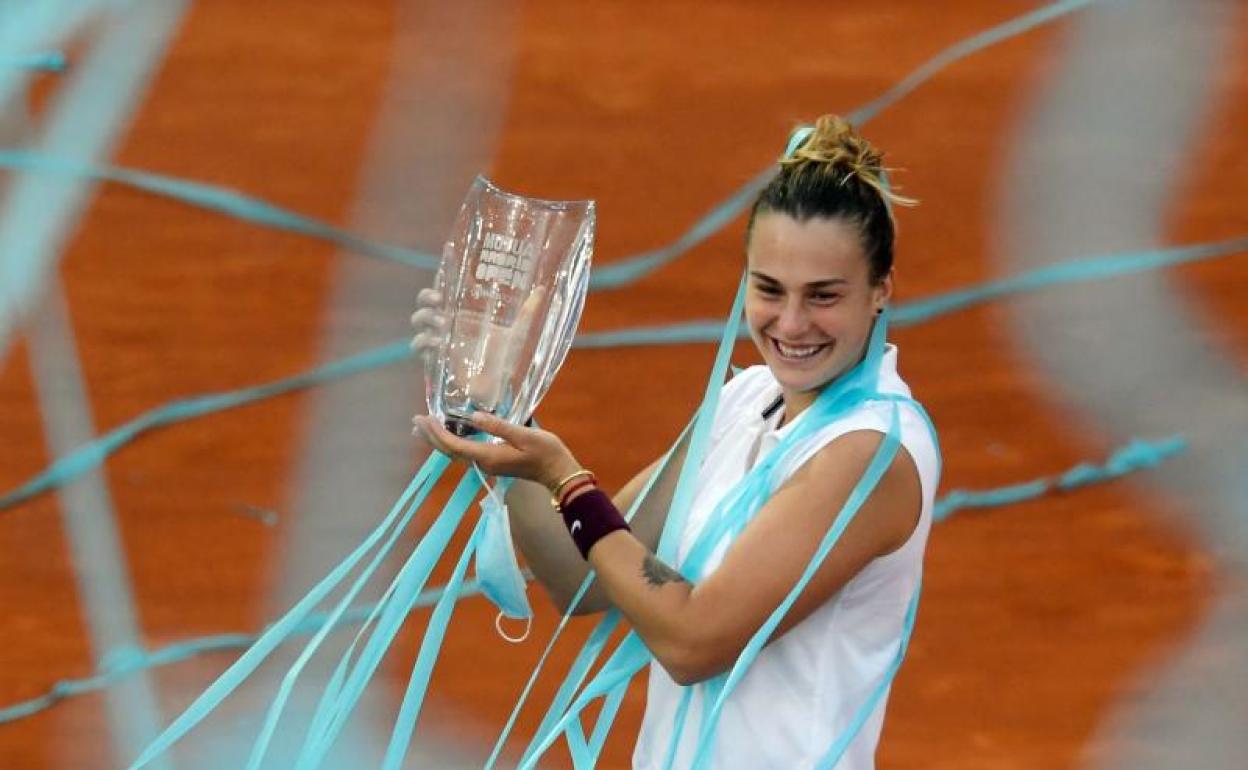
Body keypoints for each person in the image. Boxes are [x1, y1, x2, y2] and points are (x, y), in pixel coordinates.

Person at [411, 114, 940, 770]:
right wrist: (502, 418)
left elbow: (693, 640)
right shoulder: (745, 401)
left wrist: (564, 478)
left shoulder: (871, 452)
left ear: (881, 290)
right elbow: (582, 578)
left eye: (824, 296)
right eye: (768, 289)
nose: (792, 323)